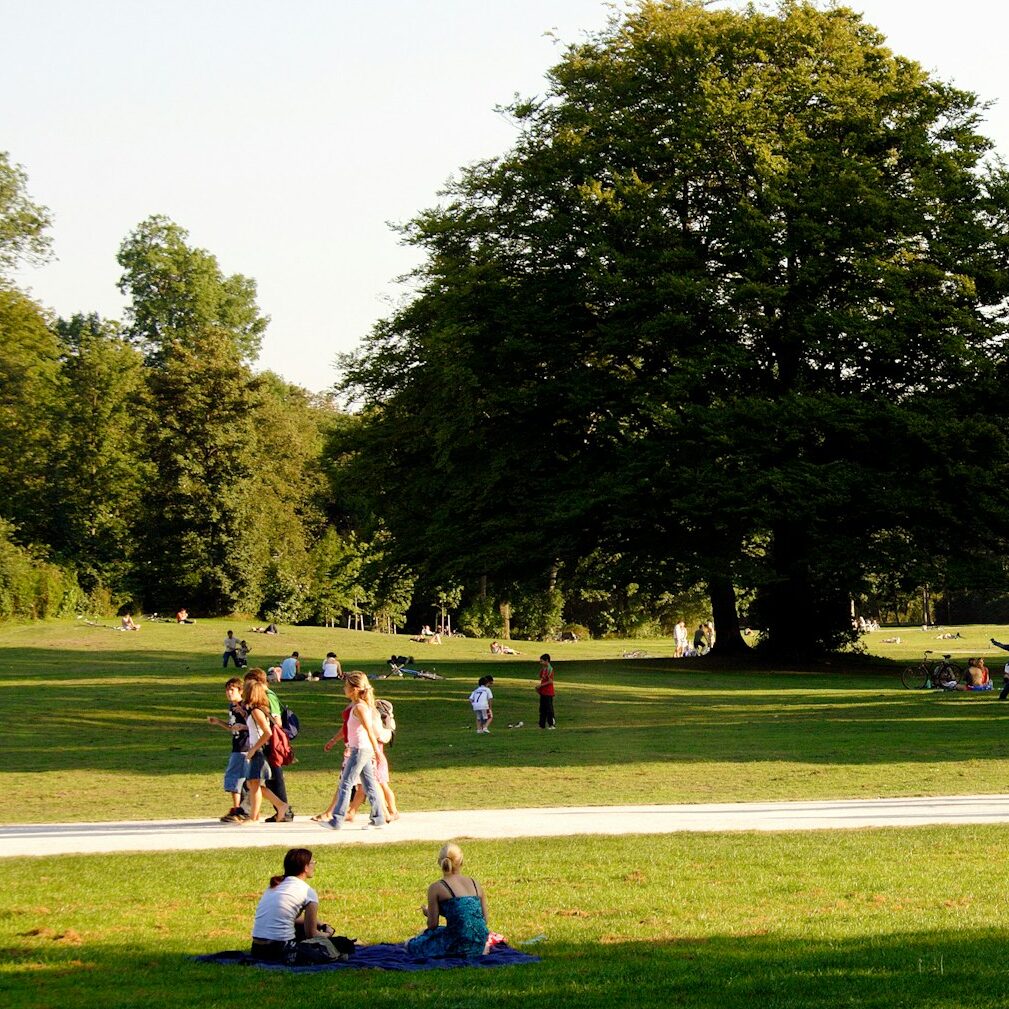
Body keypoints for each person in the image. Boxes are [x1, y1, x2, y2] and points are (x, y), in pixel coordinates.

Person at [319, 671, 386, 830]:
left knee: (346, 783)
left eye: (347, 686)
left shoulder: (360, 708)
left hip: (361, 750)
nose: (344, 688)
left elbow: (369, 730)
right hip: (360, 749)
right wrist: (333, 740)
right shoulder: (356, 707)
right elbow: (348, 729)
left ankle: (337, 820)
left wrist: (377, 752)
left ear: (355, 689)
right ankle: (378, 819)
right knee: (369, 785)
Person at [405, 843, 489, 959]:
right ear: (461, 861)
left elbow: (433, 925)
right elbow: (484, 919)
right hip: (479, 942)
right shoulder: (475, 883)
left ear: (439, 862)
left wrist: (428, 913)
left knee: (411, 943)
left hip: (456, 944)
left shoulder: (436, 887)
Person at [250, 848, 334, 963]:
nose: (314, 865)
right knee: (332, 950)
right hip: (280, 950)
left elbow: (289, 916)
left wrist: (321, 924)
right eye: (312, 862)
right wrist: (328, 934)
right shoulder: (308, 892)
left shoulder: (275, 886)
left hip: (257, 949)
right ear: (305, 867)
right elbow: (312, 934)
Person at [245, 667, 295, 821]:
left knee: (267, 780)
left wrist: (254, 748)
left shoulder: (267, 697)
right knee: (257, 782)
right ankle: (280, 808)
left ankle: (282, 809)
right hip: (263, 744)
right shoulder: (256, 707)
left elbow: (275, 724)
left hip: (266, 745)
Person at [206, 677, 251, 823]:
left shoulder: (245, 706)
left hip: (245, 746)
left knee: (235, 778)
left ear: (241, 691)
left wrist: (243, 721)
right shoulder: (232, 707)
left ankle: (238, 809)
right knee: (242, 781)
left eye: (232, 690)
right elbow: (233, 728)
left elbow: (256, 726)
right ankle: (242, 809)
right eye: (227, 690)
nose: (229, 693)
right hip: (237, 744)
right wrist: (219, 722)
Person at [536, 654, 555, 729]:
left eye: (542, 661)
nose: (540, 663)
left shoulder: (550, 669)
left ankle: (551, 724)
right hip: (543, 692)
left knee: (549, 709)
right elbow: (541, 677)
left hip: (549, 692)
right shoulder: (544, 669)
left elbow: (550, 681)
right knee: (542, 709)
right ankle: (542, 725)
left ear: (547, 661)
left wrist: (541, 685)